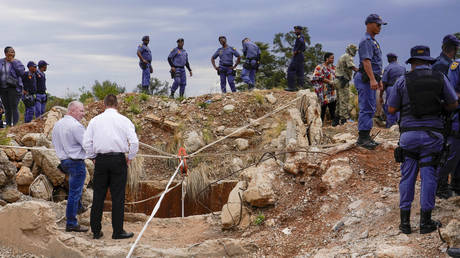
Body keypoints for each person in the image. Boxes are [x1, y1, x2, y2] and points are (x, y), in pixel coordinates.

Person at [388, 45, 458, 235]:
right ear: (428, 62)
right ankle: (425, 222)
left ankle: (405, 223)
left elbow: (392, 109)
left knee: (407, 177)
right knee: (428, 177)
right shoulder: (440, 78)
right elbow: (453, 104)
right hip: (432, 137)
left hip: (408, 137)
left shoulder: (402, 80)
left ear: (412, 63)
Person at [83, 94, 139, 240]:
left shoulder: (95, 121)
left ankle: (96, 231)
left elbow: (86, 142)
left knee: (98, 196)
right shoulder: (124, 120)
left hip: (101, 160)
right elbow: (134, 143)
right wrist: (130, 158)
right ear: (117, 104)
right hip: (118, 160)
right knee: (118, 197)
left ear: (104, 104)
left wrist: (93, 157)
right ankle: (117, 231)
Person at [52, 101, 89, 233]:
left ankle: (78, 207)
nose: (83, 114)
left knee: (74, 190)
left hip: (64, 162)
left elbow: (54, 143)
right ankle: (71, 223)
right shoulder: (76, 126)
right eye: (81, 111)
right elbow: (87, 145)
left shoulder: (57, 124)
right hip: (75, 162)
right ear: (72, 110)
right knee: (75, 192)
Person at [354, 14, 387, 150]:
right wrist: (373, 79)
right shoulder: (366, 41)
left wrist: (377, 80)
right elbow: (366, 62)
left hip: (371, 79)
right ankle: (362, 138)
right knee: (366, 107)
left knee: (370, 107)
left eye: (381, 25)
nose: (380, 27)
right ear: (369, 24)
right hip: (365, 79)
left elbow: (374, 63)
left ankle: (366, 136)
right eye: (378, 24)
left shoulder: (372, 41)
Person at [436, 58, 460, 199]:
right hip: (457, 117)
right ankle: (439, 185)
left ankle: (457, 185)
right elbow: (452, 93)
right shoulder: (457, 65)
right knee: (452, 154)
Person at [0, 46, 25, 126]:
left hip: (14, 87)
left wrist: (13, 62)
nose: (12, 53)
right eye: (11, 52)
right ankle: (8, 125)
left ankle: (15, 125)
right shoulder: (1, 62)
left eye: (13, 52)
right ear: (6, 53)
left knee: (14, 106)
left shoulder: (17, 62)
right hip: (3, 88)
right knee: (7, 107)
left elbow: (21, 73)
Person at [335, 44, 358, 125]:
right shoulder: (348, 56)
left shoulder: (343, 56)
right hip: (343, 81)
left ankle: (336, 119)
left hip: (338, 80)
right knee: (344, 100)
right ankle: (344, 119)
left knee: (339, 100)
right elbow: (351, 66)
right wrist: (359, 71)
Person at [381, 53, 406, 128]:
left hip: (391, 88)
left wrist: (381, 94)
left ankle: (390, 125)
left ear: (389, 59)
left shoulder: (388, 68)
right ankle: (399, 124)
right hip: (402, 88)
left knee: (390, 106)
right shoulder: (402, 68)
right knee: (400, 106)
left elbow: (384, 82)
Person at [312, 52, 337, 125]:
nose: (333, 59)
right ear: (327, 59)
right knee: (323, 108)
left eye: (333, 58)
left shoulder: (333, 67)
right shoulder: (319, 67)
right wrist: (329, 82)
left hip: (332, 92)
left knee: (333, 107)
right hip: (323, 91)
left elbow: (336, 75)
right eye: (331, 58)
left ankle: (334, 125)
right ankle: (320, 124)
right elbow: (316, 76)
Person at [285, 26, 306, 92]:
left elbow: (301, 42)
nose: (295, 31)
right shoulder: (302, 36)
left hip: (297, 55)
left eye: (296, 30)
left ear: (299, 30)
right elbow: (304, 47)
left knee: (291, 70)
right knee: (300, 72)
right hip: (301, 55)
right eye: (295, 30)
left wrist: (296, 51)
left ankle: (291, 87)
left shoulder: (300, 37)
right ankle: (300, 87)